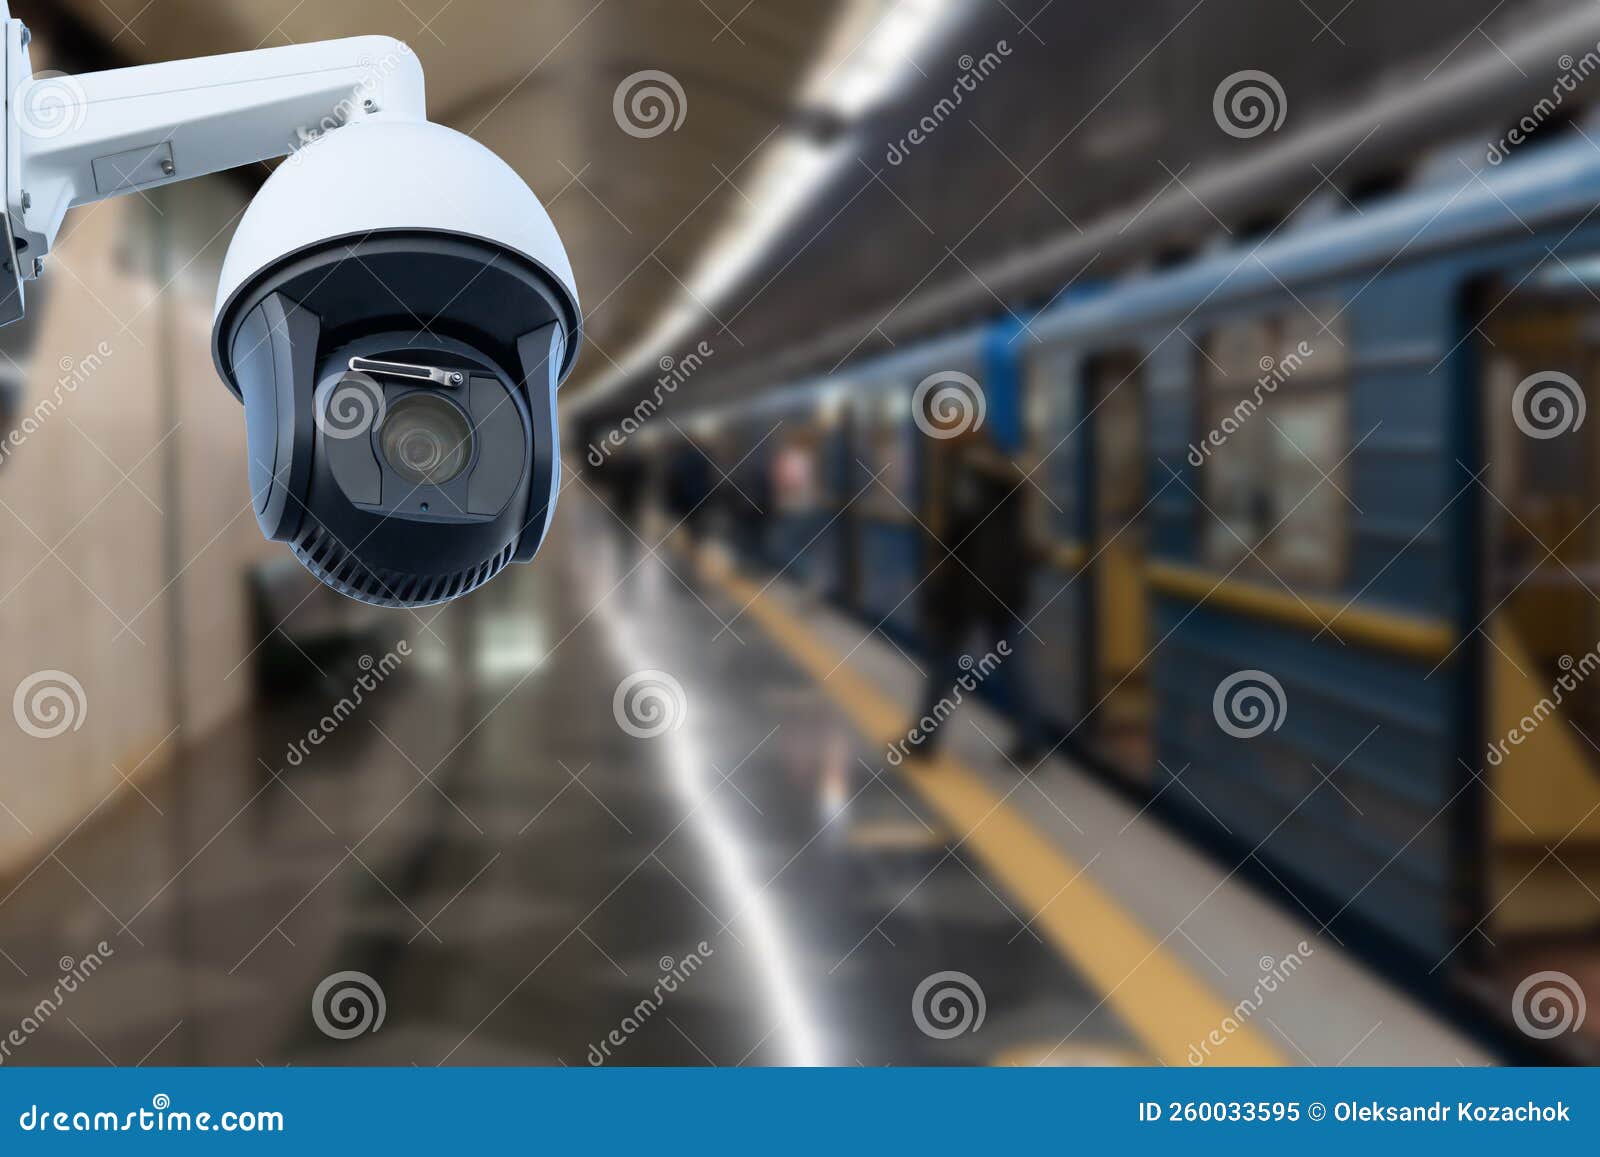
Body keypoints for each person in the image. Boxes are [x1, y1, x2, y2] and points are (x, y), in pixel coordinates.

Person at [909, 425, 1045, 767]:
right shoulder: (1005, 467)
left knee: (944, 661)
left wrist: (938, 564)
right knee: (1008, 662)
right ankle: (1029, 739)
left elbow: (959, 532)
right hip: (1004, 584)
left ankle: (925, 740)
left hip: (970, 587)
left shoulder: (966, 473)